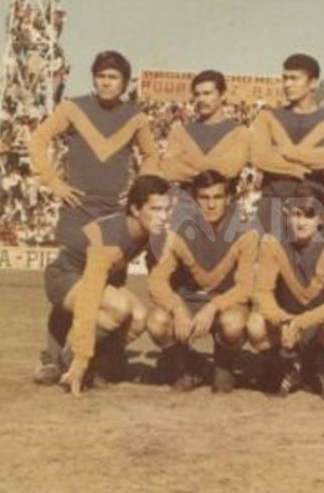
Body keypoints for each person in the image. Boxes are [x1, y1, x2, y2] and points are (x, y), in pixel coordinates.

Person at [29, 50, 160, 384]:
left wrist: (137, 192)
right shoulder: (73, 107)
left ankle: (97, 361)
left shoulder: (136, 117)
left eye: (113, 77)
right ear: (93, 78)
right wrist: (54, 182)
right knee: (76, 280)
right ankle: (53, 355)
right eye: (101, 75)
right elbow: (38, 139)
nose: (106, 81)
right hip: (78, 207)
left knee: (111, 283)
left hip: (114, 210)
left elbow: (150, 155)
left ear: (125, 83)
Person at [45, 175, 170, 396]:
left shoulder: (150, 233)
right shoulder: (110, 240)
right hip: (63, 276)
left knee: (140, 317)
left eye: (166, 209)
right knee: (118, 307)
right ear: (135, 209)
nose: (163, 216)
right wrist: (81, 356)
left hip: (87, 279)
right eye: (155, 209)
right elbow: (90, 299)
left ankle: (101, 366)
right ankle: (69, 359)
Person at [147, 170, 259, 393]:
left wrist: (214, 306)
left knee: (234, 324)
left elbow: (246, 287)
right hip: (190, 302)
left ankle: (223, 365)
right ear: (194, 201)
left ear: (229, 199)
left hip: (227, 304)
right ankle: (189, 365)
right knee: (156, 321)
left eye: (217, 197)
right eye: (204, 198)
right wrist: (177, 307)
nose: (211, 205)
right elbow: (156, 280)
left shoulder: (246, 234)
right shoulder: (179, 233)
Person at [247, 182, 324, 399]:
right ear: (287, 215)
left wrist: (301, 323)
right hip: (287, 318)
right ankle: (282, 364)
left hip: (319, 321)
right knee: (255, 325)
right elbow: (262, 293)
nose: (302, 222)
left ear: (321, 219)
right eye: (297, 214)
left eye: (309, 215)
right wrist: (283, 319)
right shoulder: (272, 242)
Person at [250, 53, 324, 235]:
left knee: (312, 262)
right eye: (285, 78)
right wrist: (297, 169)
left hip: (312, 203)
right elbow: (259, 158)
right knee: (268, 259)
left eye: (294, 79)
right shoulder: (267, 116)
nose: (287, 84)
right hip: (273, 202)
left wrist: (285, 152)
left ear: (313, 83)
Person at [158, 70, 251, 184]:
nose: (201, 99)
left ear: (223, 95)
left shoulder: (240, 133)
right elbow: (170, 170)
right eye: (197, 94)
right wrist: (214, 165)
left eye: (207, 93)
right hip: (185, 200)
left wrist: (186, 163)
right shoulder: (180, 132)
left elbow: (229, 169)